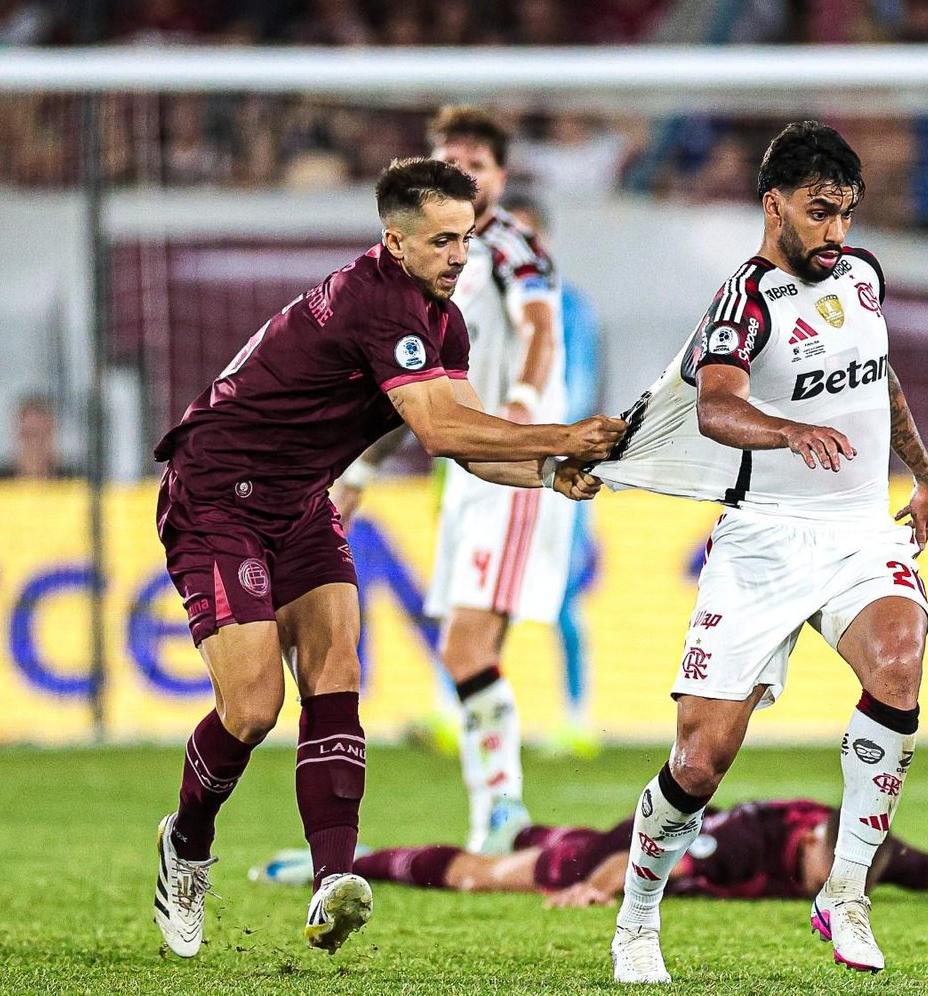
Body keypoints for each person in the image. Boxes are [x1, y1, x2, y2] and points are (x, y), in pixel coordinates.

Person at [148, 156, 622, 960]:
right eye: (442, 241)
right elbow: (438, 431)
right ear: (395, 241)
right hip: (217, 496)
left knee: (337, 668)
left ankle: (333, 878)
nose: (460, 256)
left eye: (466, 238)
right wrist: (563, 434)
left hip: (301, 502)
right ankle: (186, 843)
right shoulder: (378, 301)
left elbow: (469, 444)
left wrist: (549, 470)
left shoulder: (442, 319)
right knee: (255, 706)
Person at [589, 121, 928, 982]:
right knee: (701, 759)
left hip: (859, 533)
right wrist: (788, 430)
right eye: (820, 213)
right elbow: (716, 407)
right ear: (774, 204)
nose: (837, 232)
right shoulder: (744, 301)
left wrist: (923, 469)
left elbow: (878, 374)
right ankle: (637, 917)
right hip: (763, 542)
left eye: (847, 213)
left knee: (899, 663)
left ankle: (846, 892)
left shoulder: (862, 276)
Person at [336, 108, 573, 855]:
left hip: (510, 468)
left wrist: (525, 408)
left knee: (466, 646)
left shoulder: (511, 246)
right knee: (464, 648)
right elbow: (416, 392)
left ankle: (502, 811)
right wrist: (360, 470)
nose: (462, 175)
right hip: (471, 469)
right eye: (450, 162)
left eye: (476, 164)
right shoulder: (423, 273)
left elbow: (540, 327)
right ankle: (494, 816)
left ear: (500, 177)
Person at [250, 798, 928, 908]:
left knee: (528, 844)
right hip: (629, 843)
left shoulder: (865, 843)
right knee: (482, 877)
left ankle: (524, 825)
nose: (844, 884)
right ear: (808, 845)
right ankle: (335, 860)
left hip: (652, 837)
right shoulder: (746, 842)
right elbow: (654, 845)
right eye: (837, 874)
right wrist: (599, 891)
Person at [503, 191, 604, 757]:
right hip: (500, 469)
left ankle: (576, 715)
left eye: (529, 235)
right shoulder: (483, 305)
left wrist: (554, 444)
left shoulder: (571, 309)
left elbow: (581, 389)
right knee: (481, 593)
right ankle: (457, 707)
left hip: (554, 468)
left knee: (561, 591)